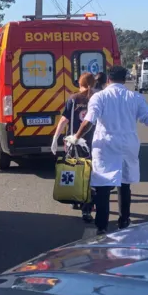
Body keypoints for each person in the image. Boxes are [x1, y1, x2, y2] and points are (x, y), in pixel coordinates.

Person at [65, 66, 148, 235]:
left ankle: (101, 227)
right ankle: (124, 222)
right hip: (128, 145)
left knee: (103, 187)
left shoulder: (100, 97)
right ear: (124, 79)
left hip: (105, 145)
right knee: (124, 185)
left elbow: (89, 121)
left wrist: (76, 137)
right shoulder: (135, 97)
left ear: (108, 80)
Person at [51, 72, 97, 223]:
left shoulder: (73, 99)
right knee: (89, 176)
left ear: (79, 83)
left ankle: (75, 198)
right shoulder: (98, 98)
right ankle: (87, 209)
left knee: (76, 171)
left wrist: (55, 137)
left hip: (74, 142)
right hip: (93, 143)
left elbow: (64, 119)